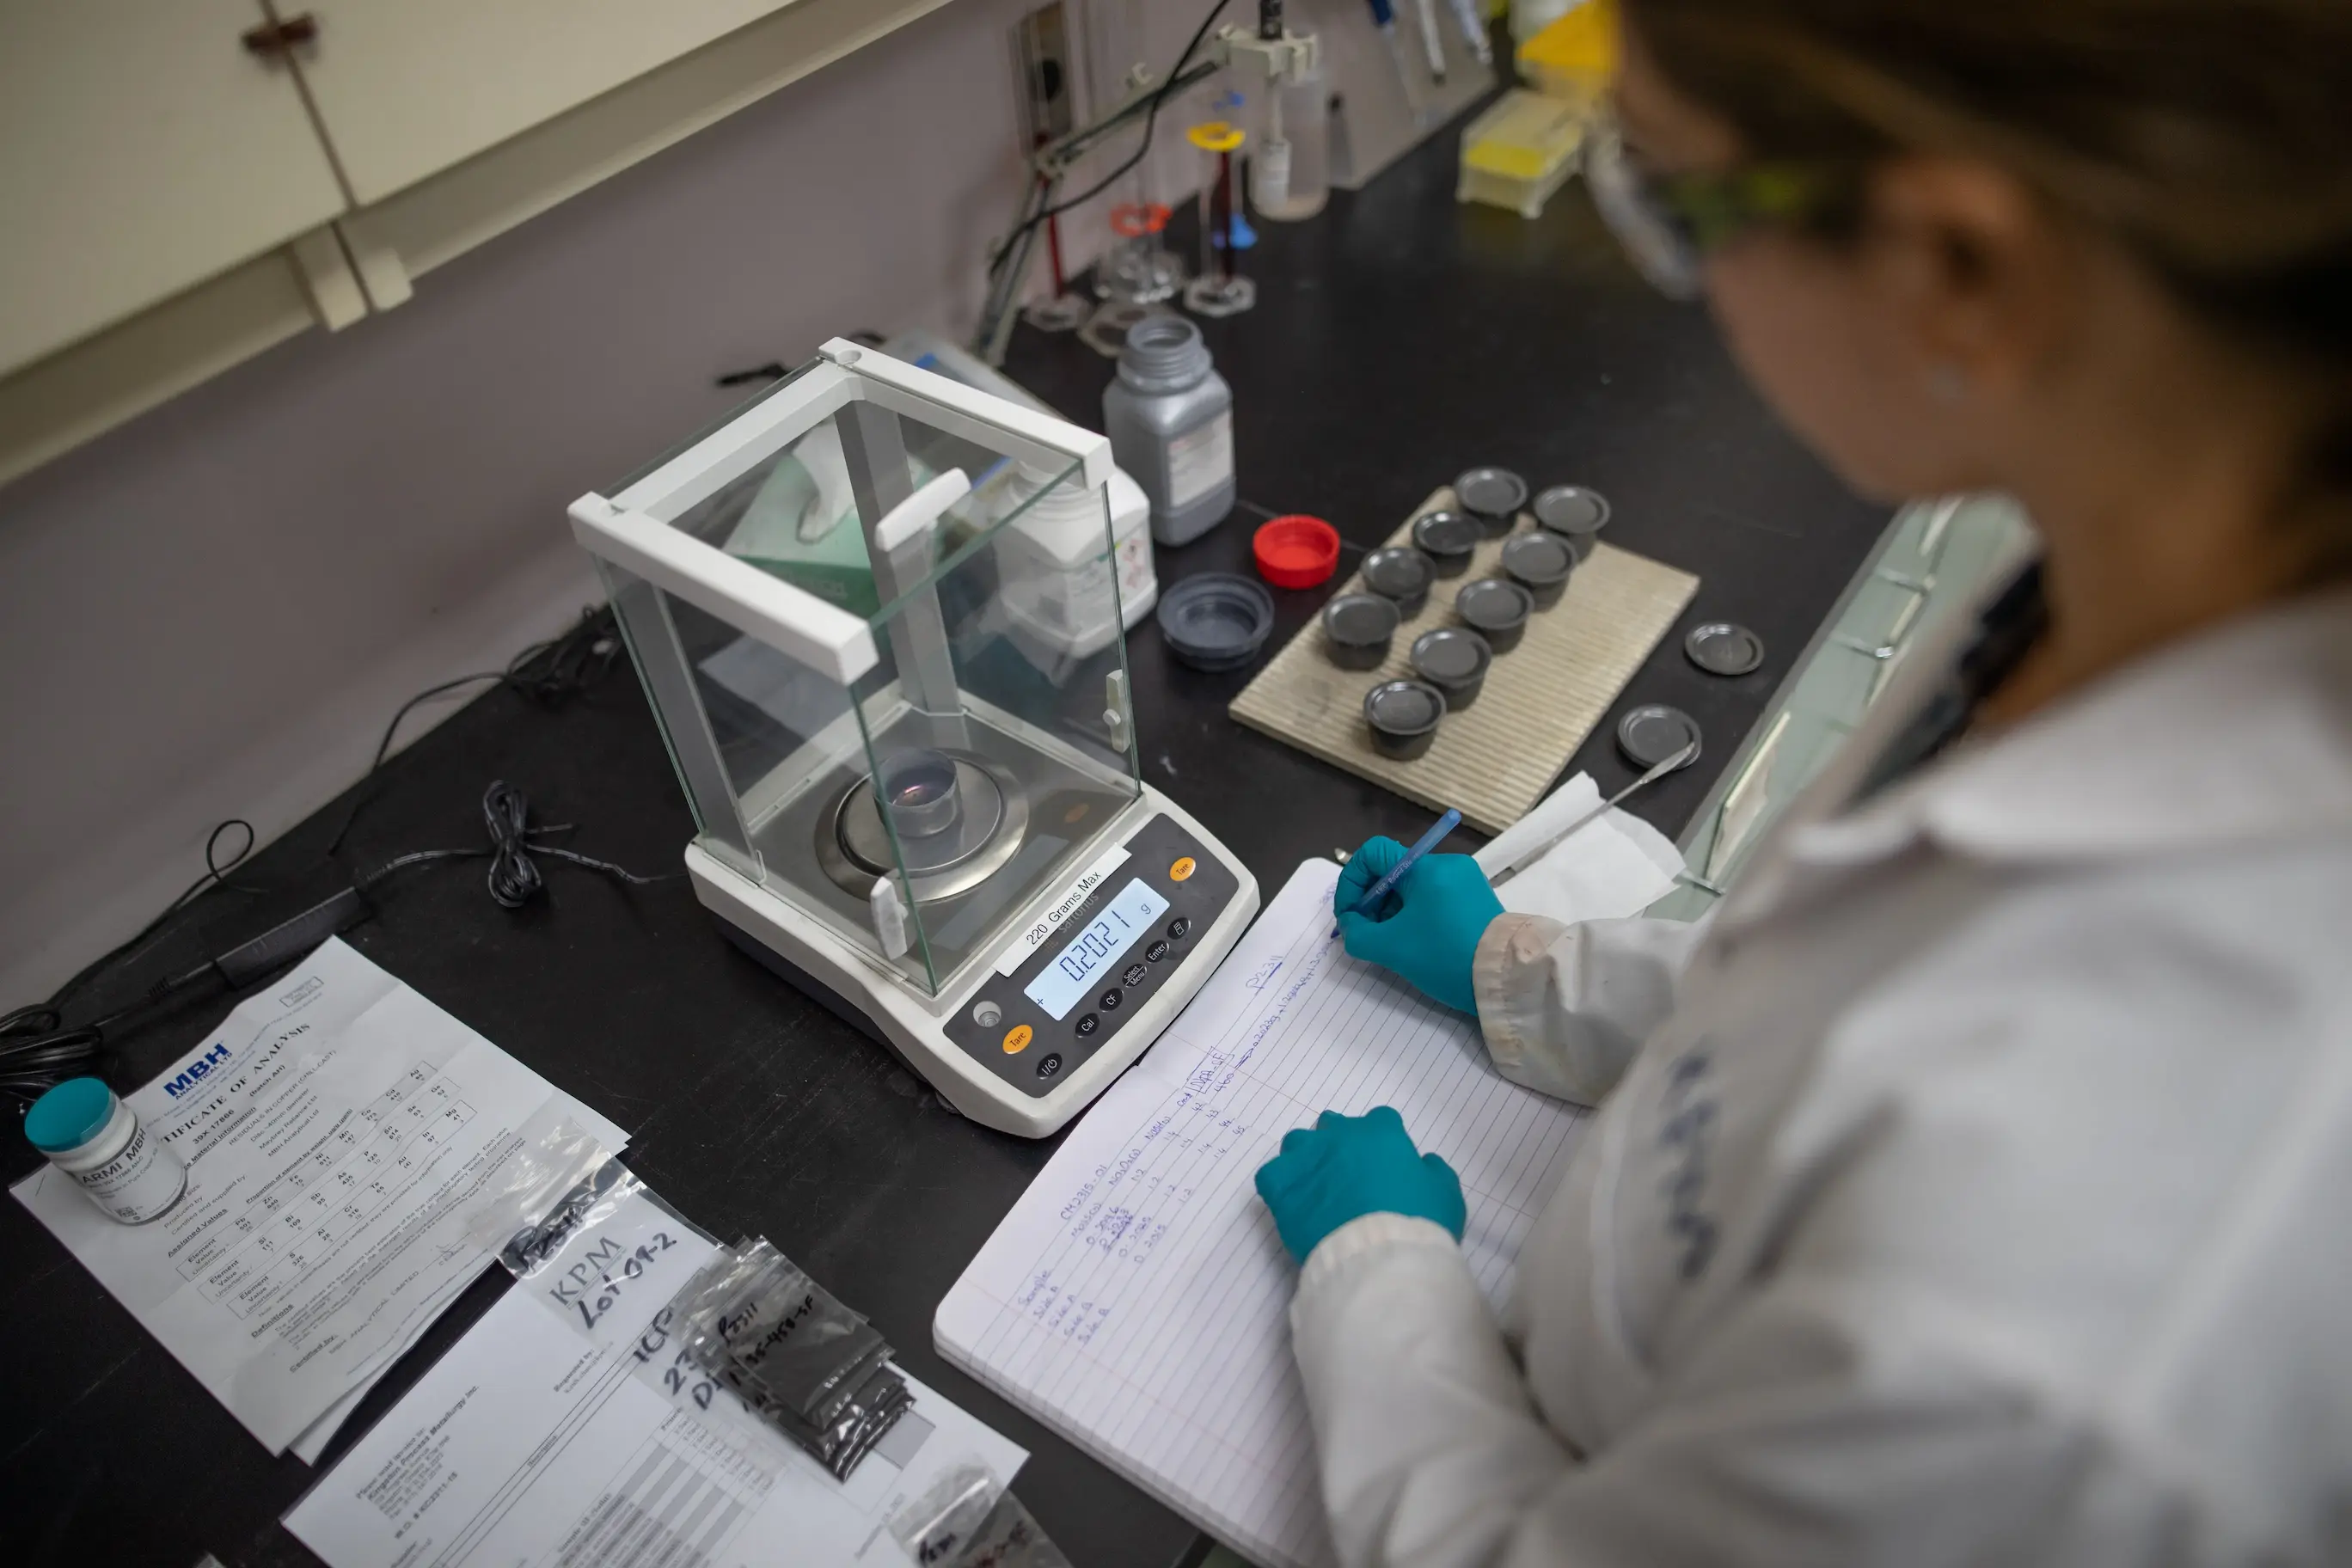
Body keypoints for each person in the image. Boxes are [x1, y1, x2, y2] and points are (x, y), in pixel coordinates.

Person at [1252, 1, 2352, 1562]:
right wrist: (1519, 968)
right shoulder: (2129, 574)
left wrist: (1377, 1278)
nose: (1676, 281)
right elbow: (1867, 982)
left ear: (1955, 272)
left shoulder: (2076, 1343)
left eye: (1670, 196)